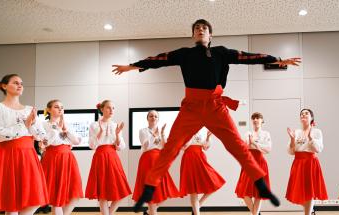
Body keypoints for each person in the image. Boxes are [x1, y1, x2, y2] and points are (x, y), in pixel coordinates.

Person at [112, 19, 301, 210]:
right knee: (171, 148)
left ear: (210, 34)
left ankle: (260, 183)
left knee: (235, 144)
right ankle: (149, 188)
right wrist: (133, 66)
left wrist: (276, 60)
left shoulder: (221, 52)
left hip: (215, 106)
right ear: (193, 35)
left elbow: (249, 57)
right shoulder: (184, 54)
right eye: (197, 28)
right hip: (191, 107)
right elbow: (159, 59)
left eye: (204, 28)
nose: (200, 30)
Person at [0, 74, 48, 215]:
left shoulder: (29, 109)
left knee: (34, 198)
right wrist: (24, 125)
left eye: (21, 83)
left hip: (28, 154)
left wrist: (31, 125)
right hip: (7, 153)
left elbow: (40, 135)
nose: (20, 85)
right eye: (15, 82)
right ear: (4, 86)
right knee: (11, 201)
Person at [85, 100, 131, 215]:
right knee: (102, 192)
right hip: (100, 156)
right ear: (102, 109)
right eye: (109, 108)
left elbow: (121, 147)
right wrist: (100, 132)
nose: (111, 110)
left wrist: (117, 135)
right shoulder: (94, 125)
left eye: (113, 108)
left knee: (121, 189)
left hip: (113, 157)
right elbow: (92, 146)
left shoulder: (115, 125)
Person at [132, 110, 180, 215]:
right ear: (147, 118)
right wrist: (153, 135)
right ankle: (151, 211)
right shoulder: (143, 131)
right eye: (151, 116)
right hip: (147, 160)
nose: (153, 118)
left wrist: (162, 135)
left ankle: (149, 212)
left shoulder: (160, 131)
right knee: (151, 193)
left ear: (158, 119)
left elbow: (164, 147)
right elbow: (145, 146)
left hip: (159, 161)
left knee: (164, 190)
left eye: (155, 116)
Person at [40, 99, 83, 215]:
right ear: (48, 110)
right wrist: (56, 129)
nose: (60, 109)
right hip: (53, 158)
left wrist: (65, 129)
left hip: (68, 158)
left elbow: (76, 141)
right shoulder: (43, 125)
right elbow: (44, 143)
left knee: (75, 194)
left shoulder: (68, 125)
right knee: (55, 198)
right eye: (56, 106)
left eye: (62, 107)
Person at [286, 109, 328, 215]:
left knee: (309, 191)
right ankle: (310, 209)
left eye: (306, 113)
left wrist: (310, 138)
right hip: (298, 162)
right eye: (301, 114)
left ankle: (308, 212)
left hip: (310, 162)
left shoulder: (317, 131)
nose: (303, 115)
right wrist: (292, 139)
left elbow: (319, 149)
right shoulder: (296, 132)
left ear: (311, 118)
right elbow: (291, 151)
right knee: (297, 190)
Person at [180, 128, 225, 215]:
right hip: (189, 157)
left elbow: (205, 147)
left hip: (200, 157)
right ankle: (196, 211)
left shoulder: (204, 130)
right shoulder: (185, 129)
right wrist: (190, 135)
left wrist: (208, 138)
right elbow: (183, 147)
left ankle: (197, 207)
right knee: (193, 190)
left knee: (214, 182)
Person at [235, 112, 271, 215]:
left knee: (258, 192)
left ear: (262, 121)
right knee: (244, 192)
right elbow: (243, 148)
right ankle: (256, 213)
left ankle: (255, 214)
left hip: (260, 162)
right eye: (253, 118)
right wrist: (248, 145)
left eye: (257, 118)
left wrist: (255, 144)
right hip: (249, 163)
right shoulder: (247, 134)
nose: (255, 120)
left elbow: (268, 149)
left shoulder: (266, 134)